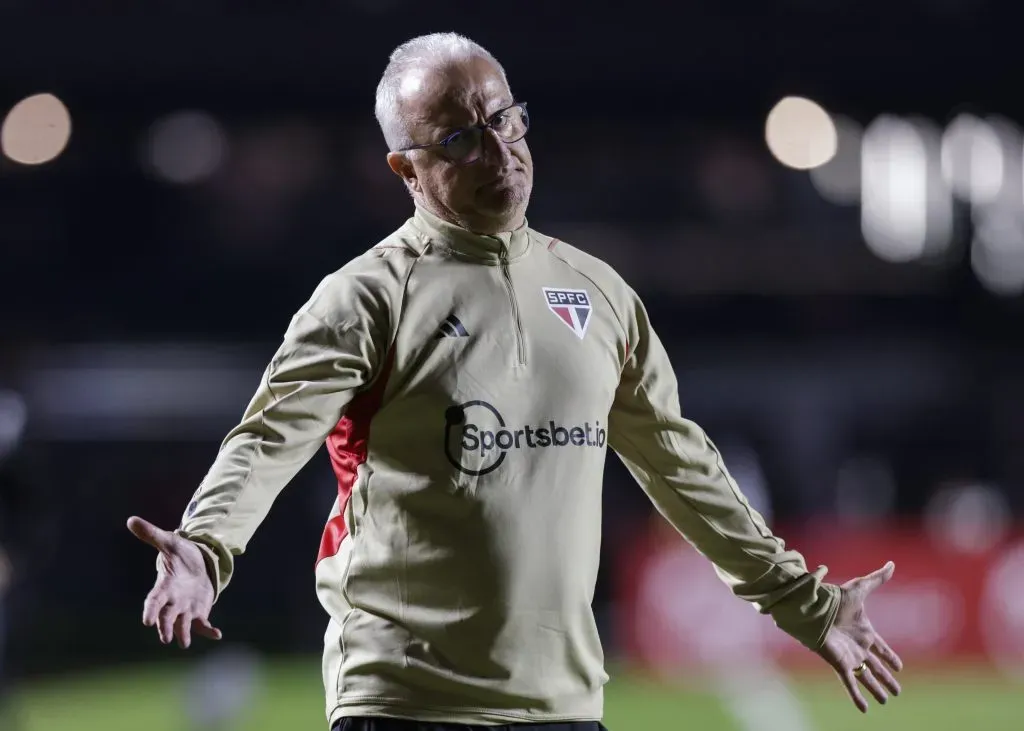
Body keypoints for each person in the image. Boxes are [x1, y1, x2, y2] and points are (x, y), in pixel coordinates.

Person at [128, 33, 903, 731]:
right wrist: (204, 546)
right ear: (406, 167)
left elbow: (681, 466)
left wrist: (805, 603)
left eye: (506, 119)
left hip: (563, 709)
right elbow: (267, 438)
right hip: (402, 704)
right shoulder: (367, 296)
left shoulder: (599, 292)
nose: (501, 152)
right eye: (462, 138)